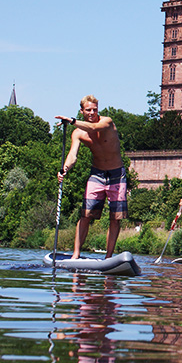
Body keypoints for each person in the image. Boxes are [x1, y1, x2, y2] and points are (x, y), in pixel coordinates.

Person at [56, 95, 127, 260]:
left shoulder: (107, 122)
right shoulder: (78, 133)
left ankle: (108, 258)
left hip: (117, 174)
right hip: (97, 174)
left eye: (95, 109)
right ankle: (76, 254)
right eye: (88, 110)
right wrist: (64, 169)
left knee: (115, 218)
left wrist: (72, 120)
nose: (92, 113)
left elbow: (94, 128)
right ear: (82, 111)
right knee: (85, 215)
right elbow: (73, 155)